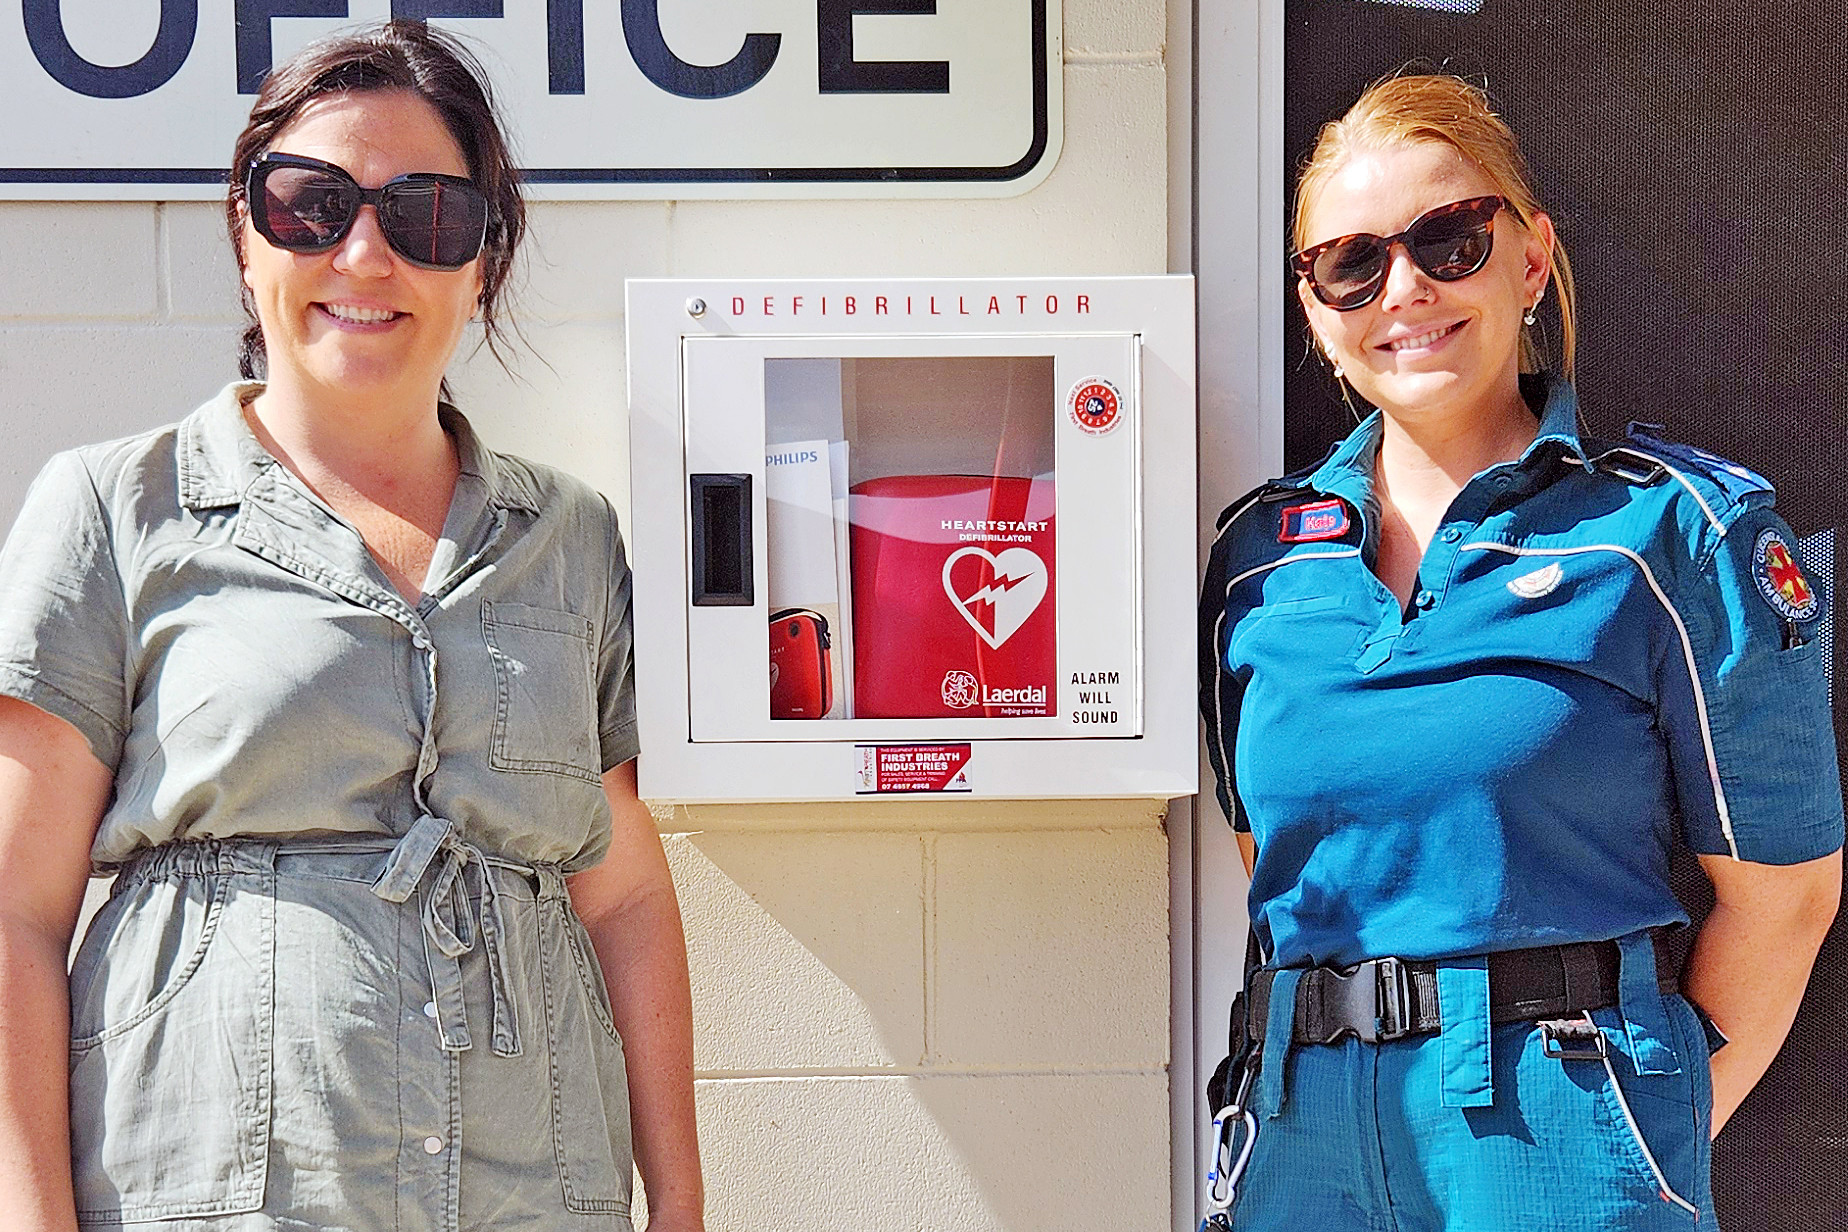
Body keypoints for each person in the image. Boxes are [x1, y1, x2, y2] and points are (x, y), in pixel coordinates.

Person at [0, 22, 702, 1232]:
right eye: (310, 204)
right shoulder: (116, 509)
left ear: (481, 262)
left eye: (425, 214)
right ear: (243, 236)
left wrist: (682, 1205)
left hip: (534, 1193)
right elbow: (14, 907)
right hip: (213, 1194)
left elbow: (625, 890)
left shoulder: (570, 536)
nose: (365, 252)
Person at [1198, 73, 1842, 1229]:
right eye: (1351, 264)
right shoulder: (1256, 562)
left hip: (1560, 1128)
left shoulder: (1674, 533)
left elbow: (1785, 897)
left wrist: (1646, 1135)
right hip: (1298, 1134)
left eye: (1450, 240)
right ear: (1316, 313)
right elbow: (1274, 858)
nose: (1404, 289)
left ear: (1530, 261)